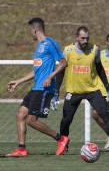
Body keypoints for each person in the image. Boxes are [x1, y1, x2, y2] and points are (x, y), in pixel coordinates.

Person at [53, 26, 109, 152]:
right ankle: (64, 144)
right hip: (73, 91)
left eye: (87, 38)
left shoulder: (94, 49)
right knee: (66, 120)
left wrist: (107, 87)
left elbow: (100, 69)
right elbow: (60, 72)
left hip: (93, 90)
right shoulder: (68, 51)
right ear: (77, 37)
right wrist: (56, 91)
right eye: (83, 38)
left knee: (105, 114)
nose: (85, 41)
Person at [5, 17, 69, 157]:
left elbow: (63, 63)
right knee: (20, 114)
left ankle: (61, 139)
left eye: (30, 31)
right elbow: (37, 71)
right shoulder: (39, 48)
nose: (30, 33)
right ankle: (21, 149)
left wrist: (50, 77)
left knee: (31, 121)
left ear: (35, 30)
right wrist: (19, 81)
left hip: (44, 89)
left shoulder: (50, 43)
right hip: (36, 88)